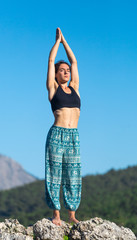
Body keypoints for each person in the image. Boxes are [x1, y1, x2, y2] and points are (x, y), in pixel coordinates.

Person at [45, 28, 81, 226]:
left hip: (73, 135)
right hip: (56, 135)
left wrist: (65, 41)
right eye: (62, 70)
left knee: (72, 175)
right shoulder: (53, 89)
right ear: (56, 75)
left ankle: (72, 214)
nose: (66, 72)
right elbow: (51, 62)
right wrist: (56, 43)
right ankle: (56, 215)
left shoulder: (75, 88)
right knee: (54, 174)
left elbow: (74, 62)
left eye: (67, 71)